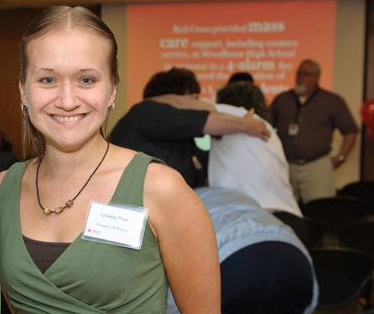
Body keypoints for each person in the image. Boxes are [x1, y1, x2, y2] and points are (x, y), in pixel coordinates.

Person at [0, 6, 220, 314]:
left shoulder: (160, 189)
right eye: (47, 80)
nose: (68, 100)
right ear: (23, 90)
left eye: (86, 79)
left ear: (112, 89)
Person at [167, 187, 318, 314]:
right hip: (290, 254)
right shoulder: (233, 193)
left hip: (228, 261)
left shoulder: (175, 204)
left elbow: (179, 298)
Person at [109, 67, 269, 187]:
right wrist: (245, 124)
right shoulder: (147, 112)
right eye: (196, 99)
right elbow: (207, 121)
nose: (201, 104)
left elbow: (204, 166)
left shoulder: (182, 141)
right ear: (175, 98)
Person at [209, 82, 308, 244]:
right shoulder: (265, 131)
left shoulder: (241, 116)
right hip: (290, 222)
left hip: (259, 223)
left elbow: (187, 110)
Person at [270, 59, 358, 203]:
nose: (300, 77)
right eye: (298, 73)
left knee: (321, 211)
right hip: (286, 166)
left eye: (306, 74)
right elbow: (266, 128)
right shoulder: (282, 99)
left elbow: (351, 131)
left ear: (317, 77)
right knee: (287, 214)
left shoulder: (332, 101)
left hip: (317, 167)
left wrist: (341, 157)